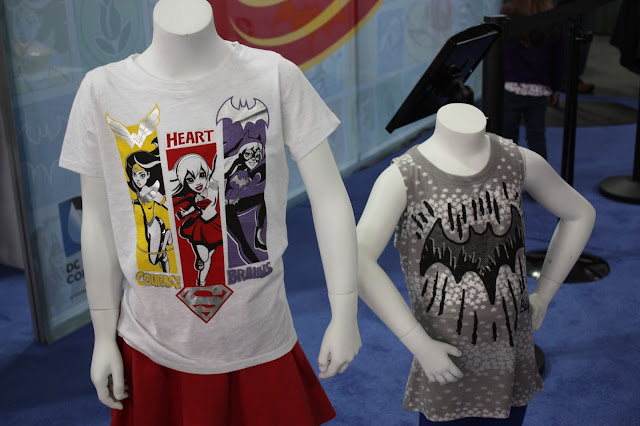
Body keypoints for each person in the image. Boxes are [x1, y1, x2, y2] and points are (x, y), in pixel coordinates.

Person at [58, 0, 361, 424]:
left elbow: (329, 198)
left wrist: (345, 312)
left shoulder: (274, 76)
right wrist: (102, 335)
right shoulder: (101, 90)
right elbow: (97, 220)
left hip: (260, 337)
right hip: (152, 344)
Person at [357, 103, 595, 425]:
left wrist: (544, 294)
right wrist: (419, 344)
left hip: (510, 352)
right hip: (444, 354)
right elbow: (357, 261)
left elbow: (580, 214)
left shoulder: (517, 161)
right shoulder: (403, 178)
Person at [501, 0, 564, 160]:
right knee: (537, 137)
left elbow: (499, 53)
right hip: (539, 89)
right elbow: (558, 60)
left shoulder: (508, 15)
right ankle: (541, 175)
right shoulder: (552, 19)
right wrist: (556, 88)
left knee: (507, 137)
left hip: (511, 86)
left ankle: (507, 173)